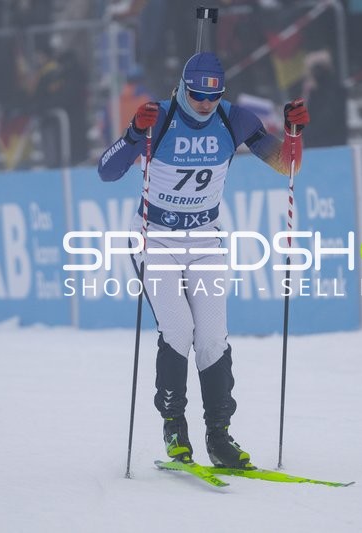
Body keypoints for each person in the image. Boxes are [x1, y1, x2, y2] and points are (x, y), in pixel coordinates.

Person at [97, 52, 310, 468]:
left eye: (212, 97)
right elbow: (107, 171)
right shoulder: (158, 117)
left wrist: (293, 132)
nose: (205, 105)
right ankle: (174, 427)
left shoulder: (236, 119)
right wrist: (131, 134)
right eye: (196, 96)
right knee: (178, 329)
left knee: (212, 337)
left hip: (204, 238)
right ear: (183, 87)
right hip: (154, 237)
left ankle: (219, 436)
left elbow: (288, 166)